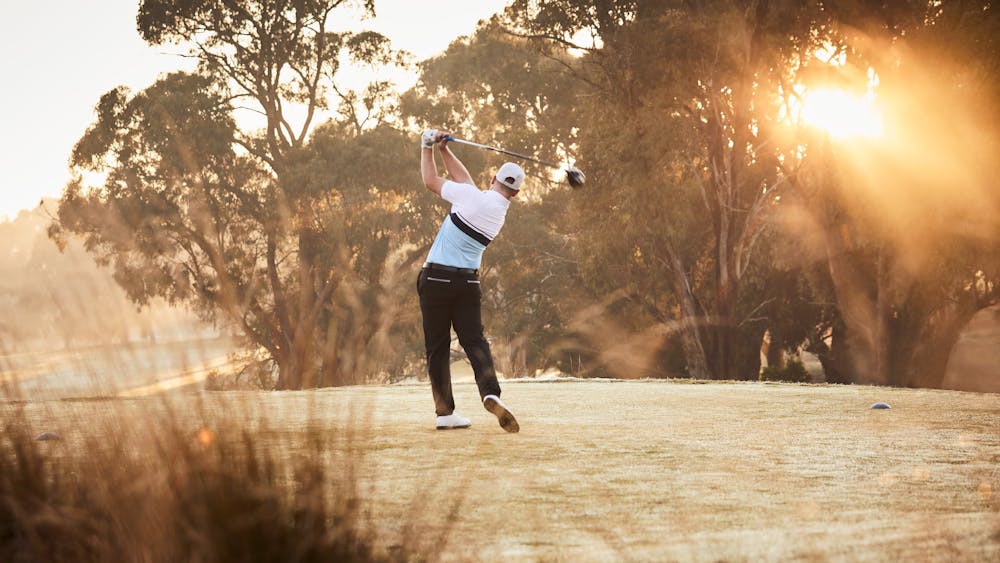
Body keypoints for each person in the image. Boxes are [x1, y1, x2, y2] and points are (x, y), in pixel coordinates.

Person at [418, 129, 521, 433]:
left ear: (493, 180)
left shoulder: (471, 197)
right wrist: (446, 151)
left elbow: (430, 182)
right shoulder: (497, 212)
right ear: (514, 194)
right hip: (467, 285)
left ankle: (445, 413)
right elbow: (465, 183)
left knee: (437, 347)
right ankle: (490, 392)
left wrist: (427, 146)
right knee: (475, 341)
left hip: (436, 278)